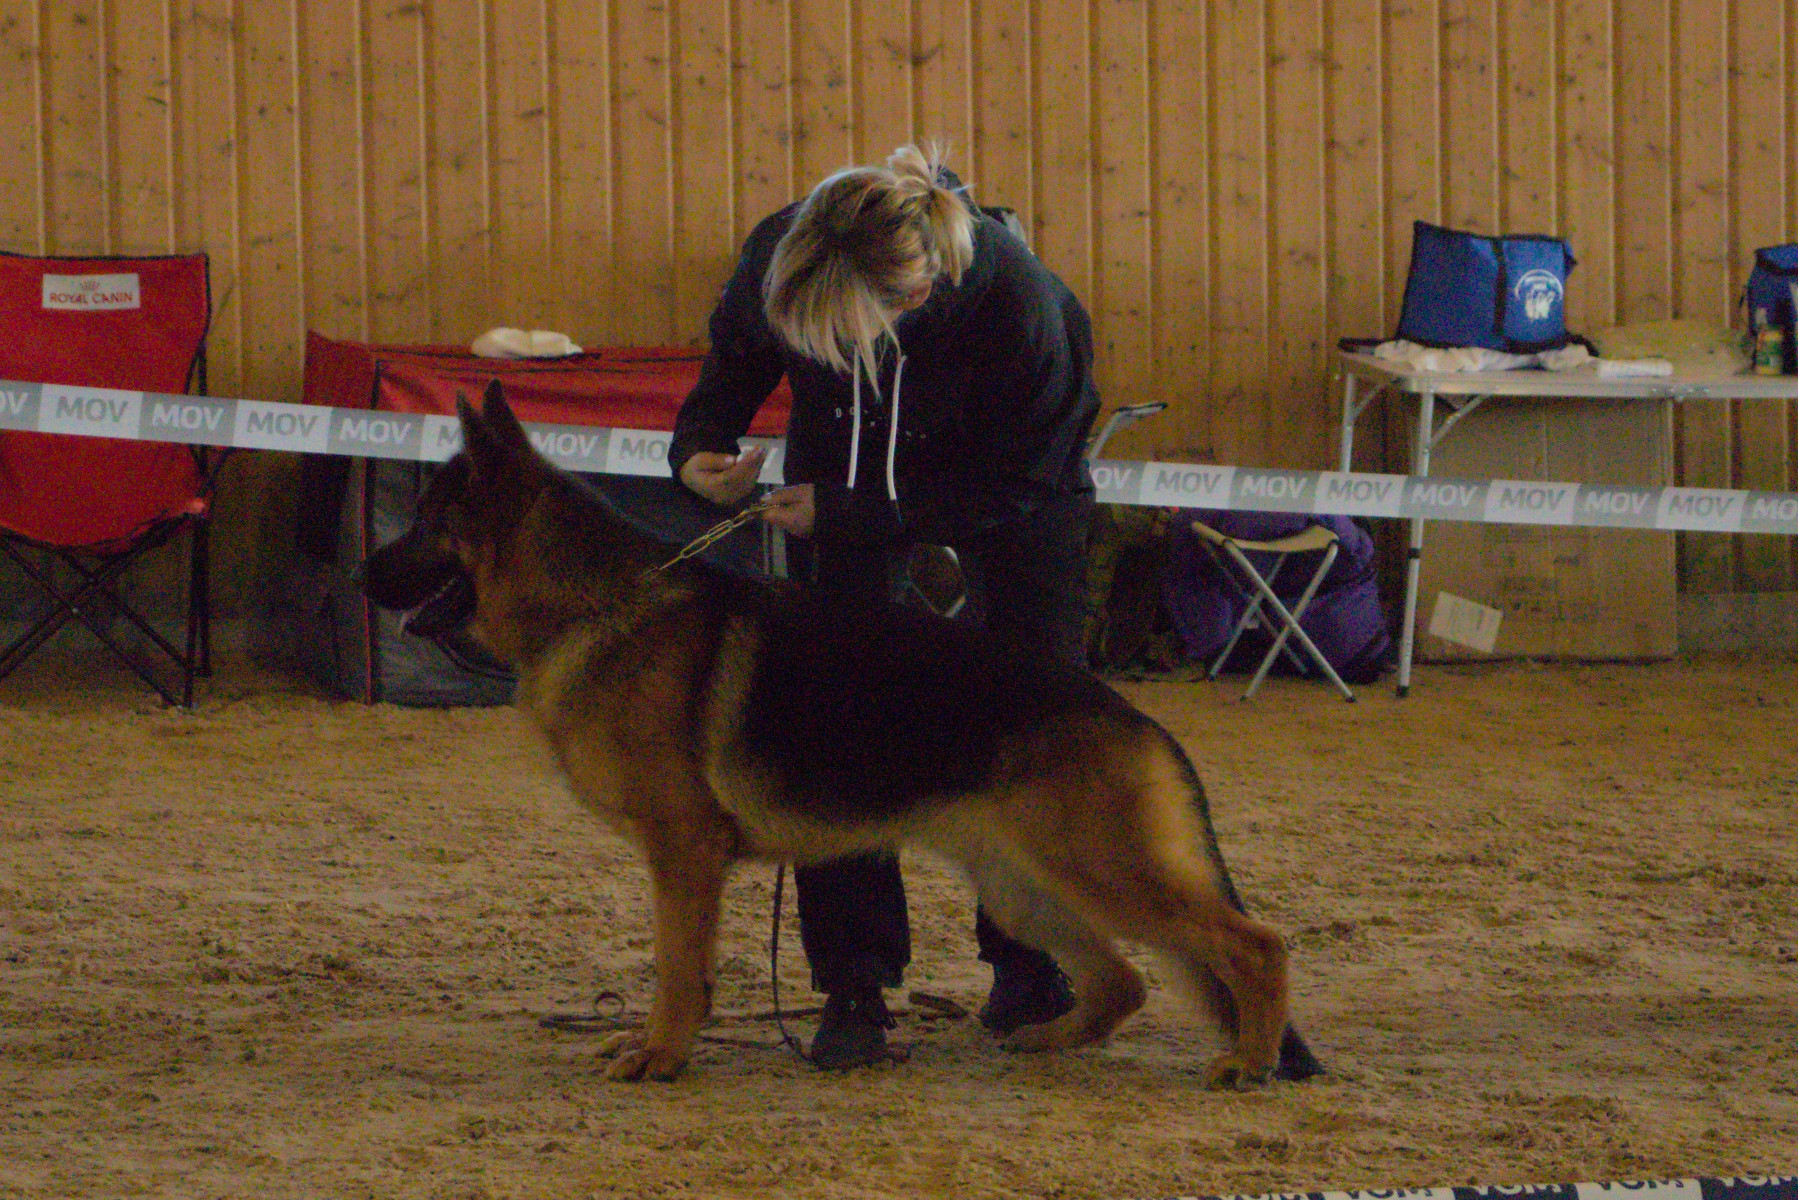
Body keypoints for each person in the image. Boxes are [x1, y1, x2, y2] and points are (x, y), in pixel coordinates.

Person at [668, 144, 1099, 1070]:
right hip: (840, 492)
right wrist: (700, 443)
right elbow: (735, 357)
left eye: (837, 340)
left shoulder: (1021, 308)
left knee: (1027, 729)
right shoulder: (781, 250)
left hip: (1014, 506)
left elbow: (1025, 479)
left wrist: (866, 514)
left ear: (915, 299)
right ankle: (853, 982)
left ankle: (1030, 965)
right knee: (833, 732)